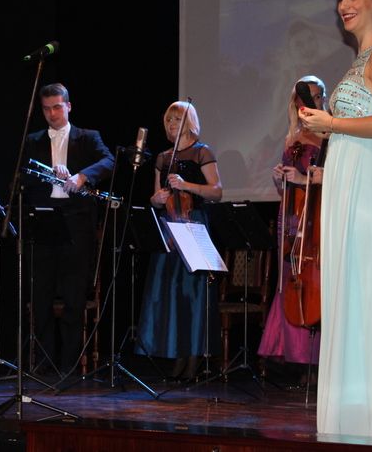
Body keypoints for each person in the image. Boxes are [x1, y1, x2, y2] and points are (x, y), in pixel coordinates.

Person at [299, 0, 372, 439]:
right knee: (347, 294)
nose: (343, 5)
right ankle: (345, 420)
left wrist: (331, 124)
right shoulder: (359, 60)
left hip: (369, 187)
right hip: (349, 181)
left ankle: (367, 423)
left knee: (365, 293)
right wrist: (324, 128)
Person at [23, 83, 115, 375]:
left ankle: (70, 363)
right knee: (41, 295)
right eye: (46, 109)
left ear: (68, 106)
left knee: (74, 296)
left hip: (76, 222)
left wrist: (81, 177)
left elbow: (108, 161)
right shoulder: (32, 140)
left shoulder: (88, 137)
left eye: (57, 107)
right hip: (44, 219)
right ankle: (44, 361)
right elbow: (22, 177)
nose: (52, 114)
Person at [135, 101, 223, 381]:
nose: (172, 124)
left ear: (189, 122)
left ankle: (194, 356)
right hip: (170, 227)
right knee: (169, 294)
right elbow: (155, 199)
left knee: (192, 293)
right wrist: (156, 199)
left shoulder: (202, 152)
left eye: (177, 119)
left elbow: (216, 191)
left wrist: (186, 185)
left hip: (194, 224)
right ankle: (176, 353)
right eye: (169, 120)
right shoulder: (163, 157)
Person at [257, 76, 327, 382]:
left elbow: (331, 178)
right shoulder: (291, 137)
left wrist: (301, 179)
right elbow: (289, 183)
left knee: (311, 284)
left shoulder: (328, 135)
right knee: (288, 281)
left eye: (315, 96)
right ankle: (286, 352)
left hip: (313, 216)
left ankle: (310, 359)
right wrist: (281, 179)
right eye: (303, 97)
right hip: (290, 215)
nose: (309, 102)